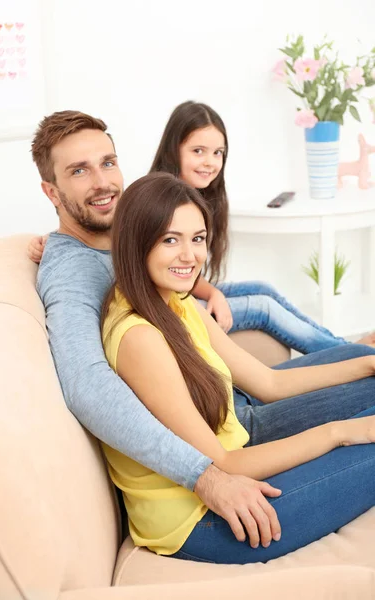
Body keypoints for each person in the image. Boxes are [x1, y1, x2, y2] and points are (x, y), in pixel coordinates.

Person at [32, 109, 283, 550]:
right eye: (79, 171)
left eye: (108, 163)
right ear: (51, 192)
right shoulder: (71, 272)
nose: (103, 182)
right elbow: (87, 386)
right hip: (203, 443)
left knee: (276, 308)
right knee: (263, 309)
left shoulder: (116, 232)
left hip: (212, 382)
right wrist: (205, 476)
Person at [101, 170, 375, 564]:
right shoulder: (138, 338)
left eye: (197, 239)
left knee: (362, 369)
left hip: (239, 446)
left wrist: (366, 363)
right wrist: (341, 433)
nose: (190, 255)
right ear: (135, 243)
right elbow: (223, 465)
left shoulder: (175, 302)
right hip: (207, 518)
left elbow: (268, 383)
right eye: (169, 240)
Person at [29, 101, 375, 353]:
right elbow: (141, 251)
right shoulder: (156, 198)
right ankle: (348, 353)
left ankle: (342, 346)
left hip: (175, 292)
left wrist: (211, 291)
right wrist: (52, 241)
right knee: (263, 307)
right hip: (167, 303)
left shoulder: (196, 198)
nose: (209, 162)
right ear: (174, 149)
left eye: (217, 153)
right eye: (198, 150)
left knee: (262, 288)